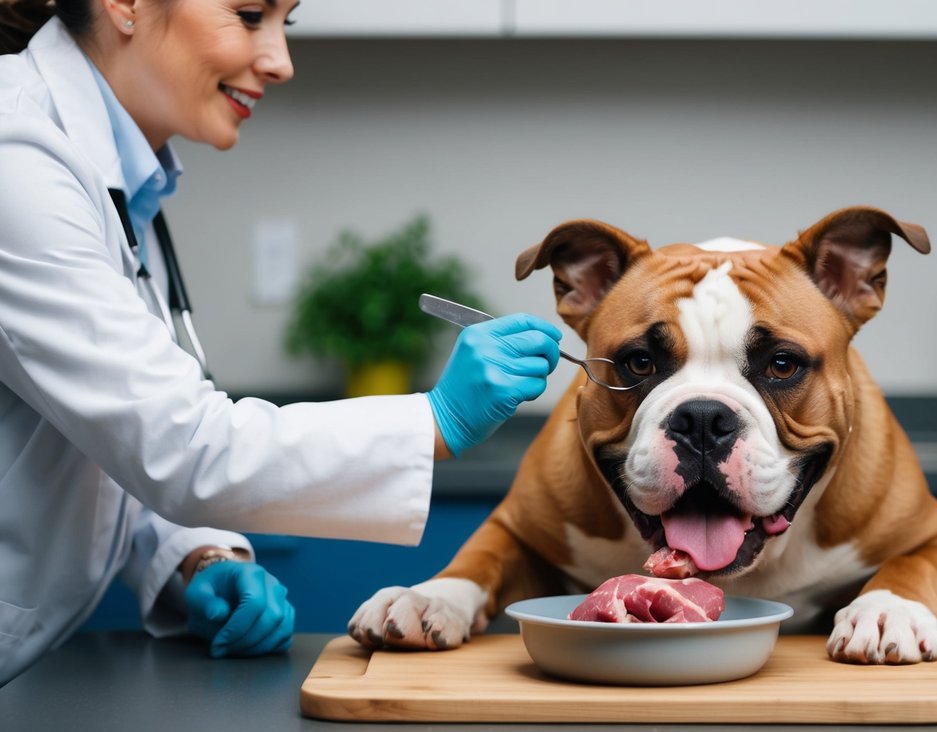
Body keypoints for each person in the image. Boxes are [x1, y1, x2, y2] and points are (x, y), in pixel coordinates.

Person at [0, 0, 562, 686]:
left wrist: (192, 557)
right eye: (248, 13)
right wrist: (433, 420)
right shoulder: (15, 159)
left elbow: (102, 438)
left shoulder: (115, 177)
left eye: (284, 22)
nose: (279, 61)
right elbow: (178, 445)